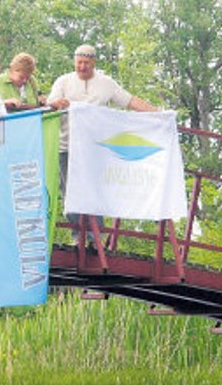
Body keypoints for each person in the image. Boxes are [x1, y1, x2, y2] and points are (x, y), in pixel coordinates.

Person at [46, 44, 160, 240]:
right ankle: (78, 236)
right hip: (68, 146)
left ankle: (94, 238)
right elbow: (51, 103)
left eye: (86, 63)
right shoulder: (64, 81)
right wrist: (56, 103)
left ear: (93, 63)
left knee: (93, 190)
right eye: (79, 63)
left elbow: (129, 100)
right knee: (70, 192)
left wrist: (158, 115)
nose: (82, 67)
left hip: (94, 148)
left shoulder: (105, 83)